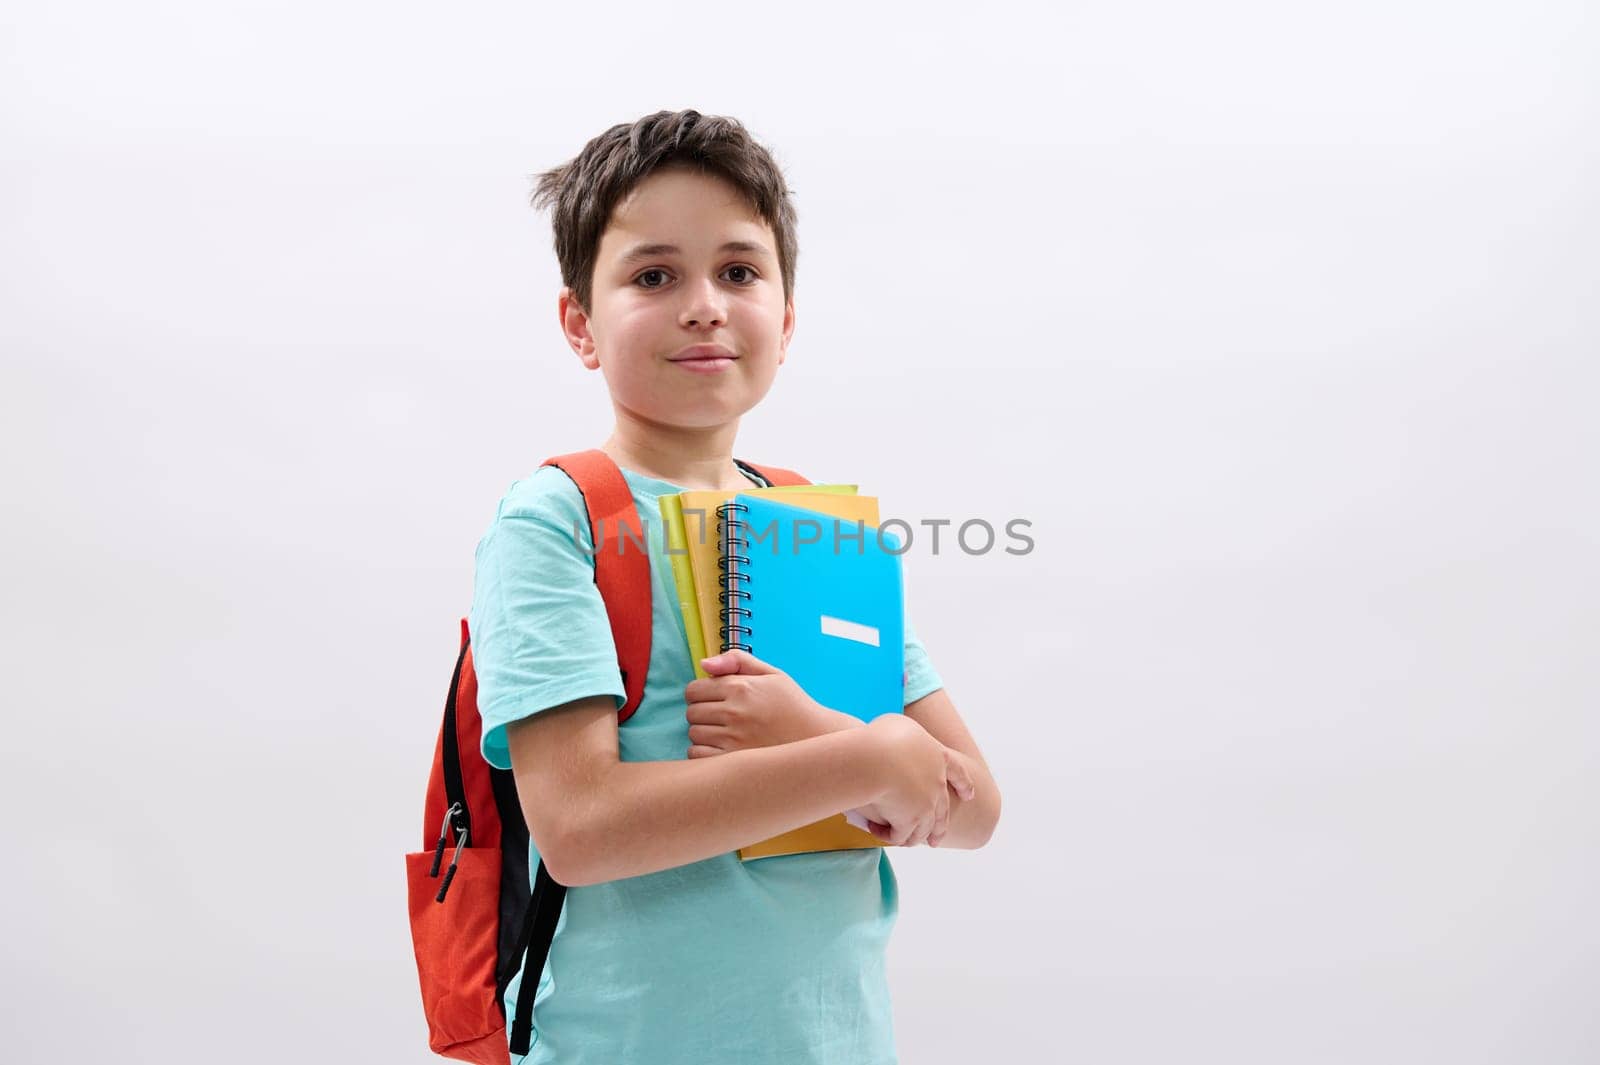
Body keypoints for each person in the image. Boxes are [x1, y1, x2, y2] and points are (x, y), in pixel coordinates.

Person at [468, 108, 1002, 1064]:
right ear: (580, 325)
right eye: (654, 275)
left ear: (787, 319)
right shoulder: (557, 521)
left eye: (740, 271)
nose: (705, 304)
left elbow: (972, 806)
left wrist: (833, 735)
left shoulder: (820, 526)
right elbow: (582, 830)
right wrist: (867, 758)